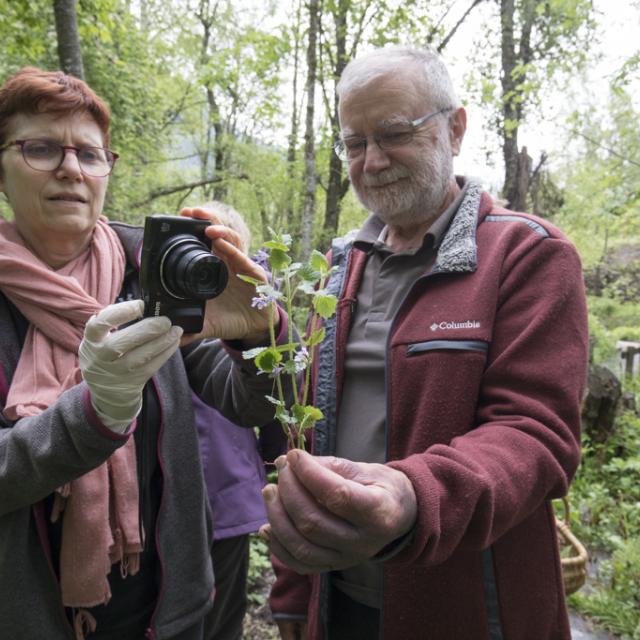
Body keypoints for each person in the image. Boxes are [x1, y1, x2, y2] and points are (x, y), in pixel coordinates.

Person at [261, 46, 589, 640]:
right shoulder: (333, 271)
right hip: (339, 604)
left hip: (473, 611)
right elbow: (303, 437)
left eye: (393, 134)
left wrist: (414, 497)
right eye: (355, 144)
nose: (374, 160)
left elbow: (537, 435)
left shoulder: (527, 254)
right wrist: (291, 595)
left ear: (455, 128)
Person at [0, 67, 289, 640]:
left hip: (167, 615)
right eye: (40, 148)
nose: (70, 168)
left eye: (89, 153)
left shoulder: (148, 272)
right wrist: (92, 415)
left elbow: (251, 405)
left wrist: (262, 333)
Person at [193, 201, 286, 640]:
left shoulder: (253, 315)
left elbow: (271, 415)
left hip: (228, 494)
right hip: (171, 502)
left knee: (222, 616)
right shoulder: (171, 309)